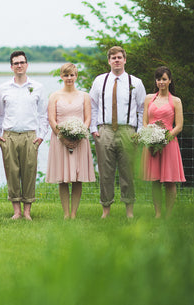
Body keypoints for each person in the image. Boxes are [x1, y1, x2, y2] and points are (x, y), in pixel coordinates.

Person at [90, 46, 146, 219]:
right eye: (113, 57)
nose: (116, 60)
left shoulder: (135, 82)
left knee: (127, 172)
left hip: (127, 131)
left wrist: (140, 131)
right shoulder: (100, 81)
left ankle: (129, 211)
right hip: (105, 130)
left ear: (125, 60)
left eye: (119, 57)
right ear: (109, 61)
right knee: (105, 172)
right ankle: (105, 210)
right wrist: (93, 128)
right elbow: (92, 106)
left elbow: (143, 108)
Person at [0, 50, 48, 220]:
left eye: (22, 62)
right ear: (11, 67)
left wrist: (41, 136)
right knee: (12, 173)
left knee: (29, 172)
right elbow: (0, 115)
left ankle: (27, 211)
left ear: (27, 65)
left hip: (30, 136)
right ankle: (16, 211)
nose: (19, 66)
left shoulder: (38, 87)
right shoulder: (4, 88)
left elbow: (43, 115)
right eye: (16, 63)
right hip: (9, 135)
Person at [46, 63, 95, 219]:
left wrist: (80, 133)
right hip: (60, 140)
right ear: (61, 76)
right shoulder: (54, 96)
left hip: (80, 140)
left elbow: (87, 119)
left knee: (77, 178)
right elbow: (52, 120)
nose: (69, 78)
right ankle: (66, 213)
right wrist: (63, 137)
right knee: (63, 178)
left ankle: (74, 213)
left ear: (76, 76)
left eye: (71, 75)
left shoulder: (84, 96)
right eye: (66, 75)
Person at [142, 66, 185, 218]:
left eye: (164, 79)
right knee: (155, 180)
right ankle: (158, 213)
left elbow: (179, 125)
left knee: (170, 181)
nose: (161, 82)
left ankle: (169, 214)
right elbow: (145, 122)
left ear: (170, 81)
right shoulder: (149, 98)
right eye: (159, 79)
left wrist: (165, 138)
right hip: (152, 145)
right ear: (156, 81)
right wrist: (150, 137)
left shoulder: (176, 101)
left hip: (169, 144)